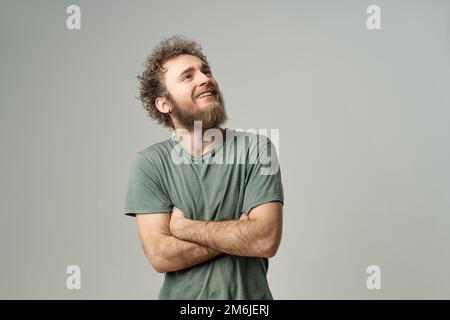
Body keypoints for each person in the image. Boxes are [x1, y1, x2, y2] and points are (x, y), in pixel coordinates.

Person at [124, 35, 284, 299]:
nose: (205, 78)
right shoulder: (150, 164)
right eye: (188, 76)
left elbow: (265, 239)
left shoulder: (257, 149)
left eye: (205, 70)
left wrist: (186, 229)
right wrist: (240, 232)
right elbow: (161, 256)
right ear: (164, 104)